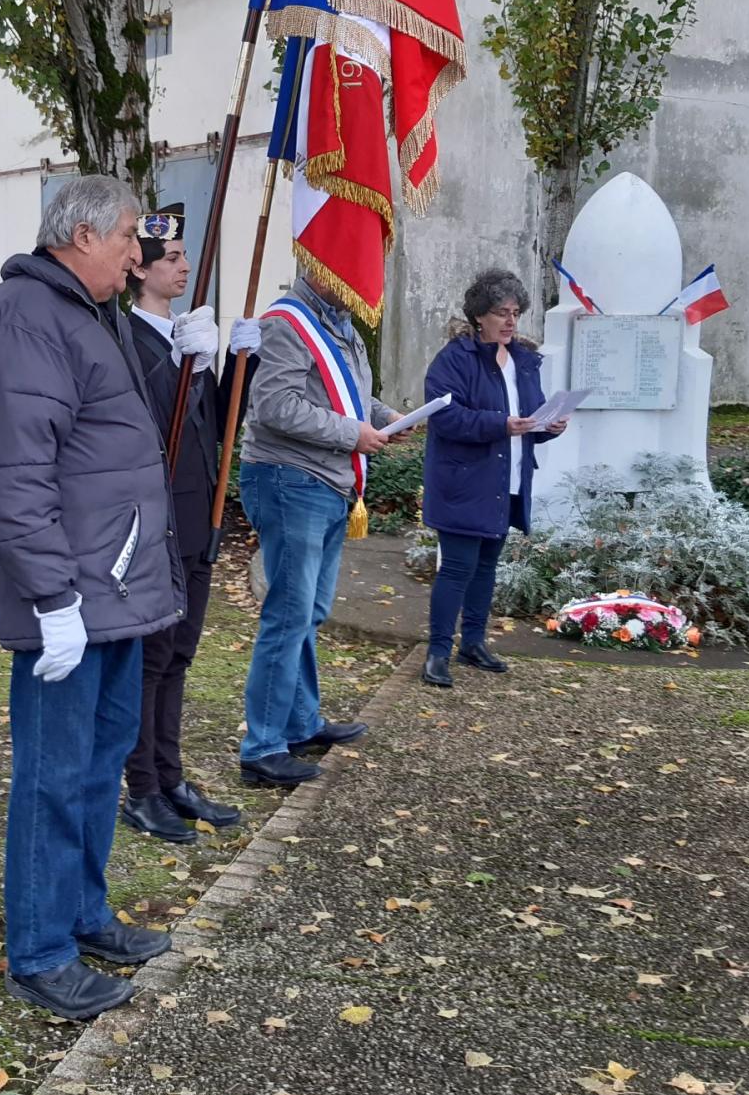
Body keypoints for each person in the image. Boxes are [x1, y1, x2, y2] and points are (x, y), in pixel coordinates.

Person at [0, 174, 191, 1022]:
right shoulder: (24, 320)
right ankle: (41, 952)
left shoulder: (85, 317)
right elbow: (10, 476)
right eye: (131, 237)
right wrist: (52, 598)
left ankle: (83, 914)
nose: (140, 255)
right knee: (54, 777)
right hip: (74, 599)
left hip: (115, 592)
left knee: (98, 766)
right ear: (83, 234)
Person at [119, 205, 252, 845]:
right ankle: (140, 786)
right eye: (169, 258)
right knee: (149, 661)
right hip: (154, 526)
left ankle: (170, 775)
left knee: (180, 655)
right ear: (136, 267)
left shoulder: (186, 334)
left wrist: (238, 365)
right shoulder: (123, 337)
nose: (183, 266)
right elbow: (144, 422)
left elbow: (217, 421)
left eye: (183, 257)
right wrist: (182, 365)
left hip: (197, 520)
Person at [237, 271, 401, 788]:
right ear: (324, 265)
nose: (364, 279)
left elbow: (346, 397)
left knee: (309, 611)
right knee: (288, 615)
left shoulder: (342, 324)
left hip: (326, 483)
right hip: (290, 480)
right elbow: (274, 406)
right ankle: (262, 747)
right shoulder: (286, 323)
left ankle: (300, 722)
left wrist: (387, 416)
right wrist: (355, 433)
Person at [419, 267, 568, 689]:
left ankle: (474, 641)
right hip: (466, 482)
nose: (510, 321)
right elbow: (445, 417)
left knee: (487, 567)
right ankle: (436, 652)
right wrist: (502, 424)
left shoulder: (522, 360)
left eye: (515, 312)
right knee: (457, 568)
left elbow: (532, 415)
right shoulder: (454, 359)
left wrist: (549, 426)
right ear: (479, 316)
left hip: (508, 480)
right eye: (502, 312)